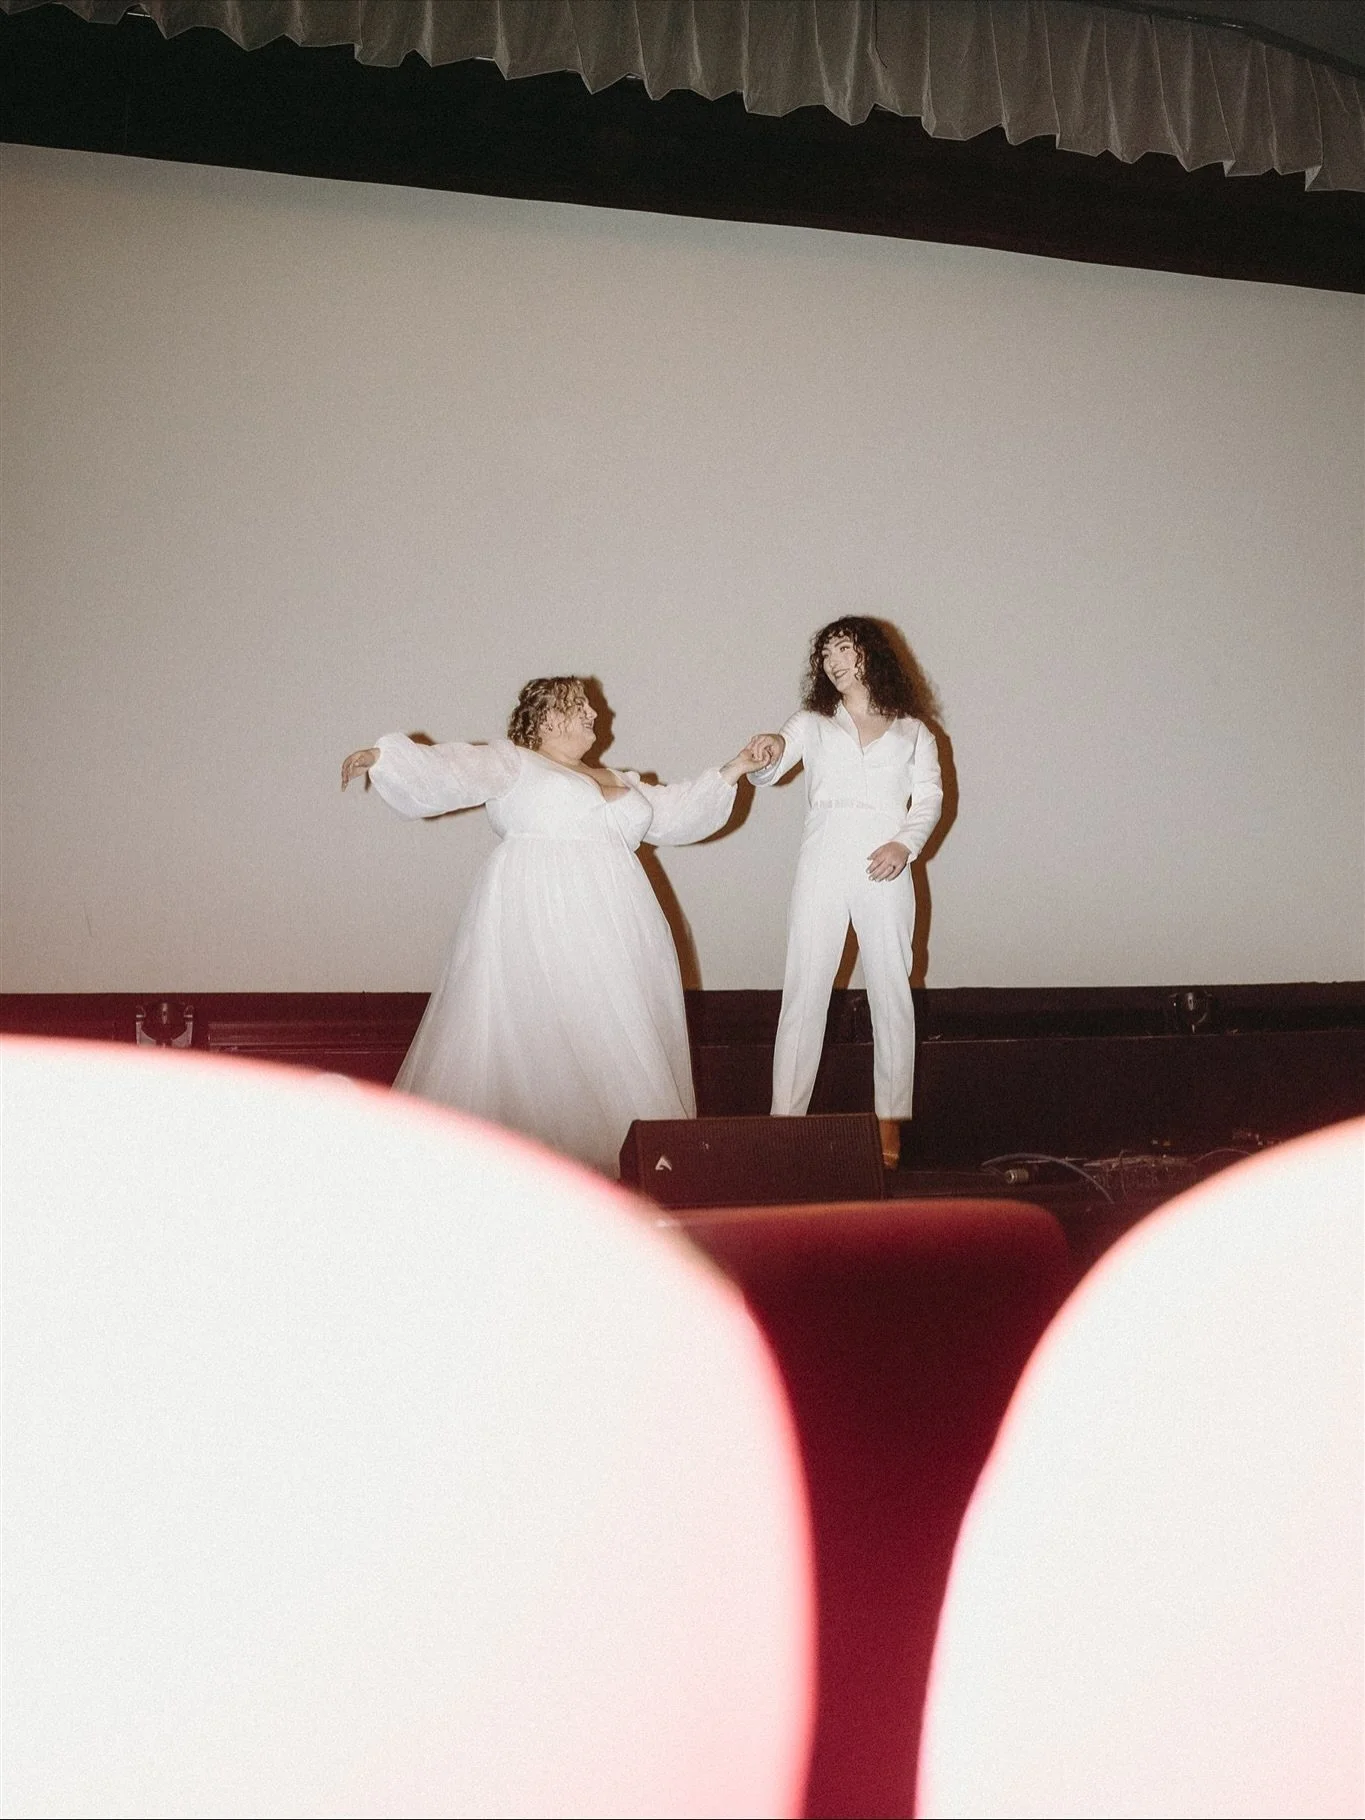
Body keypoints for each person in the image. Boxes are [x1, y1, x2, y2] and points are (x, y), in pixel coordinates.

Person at [342, 678, 766, 1176]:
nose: (594, 712)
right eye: (578, 704)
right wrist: (384, 759)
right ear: (545, 719)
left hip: (618, 926)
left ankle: (627, 1170)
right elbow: (455, 768)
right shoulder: (516, 763)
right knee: (543, 1033)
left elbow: (675, 813)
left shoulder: (619, 778)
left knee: (617, 1036)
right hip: (538, 918)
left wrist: (736, 767)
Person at [748, 619, 943, 1168]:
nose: (833, 662)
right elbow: (771, 768)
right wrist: (768, 751)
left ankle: (889, 1123)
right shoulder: (811, 722)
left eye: (843, 650)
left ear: (870, 655)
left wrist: (905, 844)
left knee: (891, 990)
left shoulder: (914, 731)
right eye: (826, 654)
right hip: (823, 860)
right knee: (805, 987)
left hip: (886, 863)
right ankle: (785, 1122)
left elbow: (929, 799)